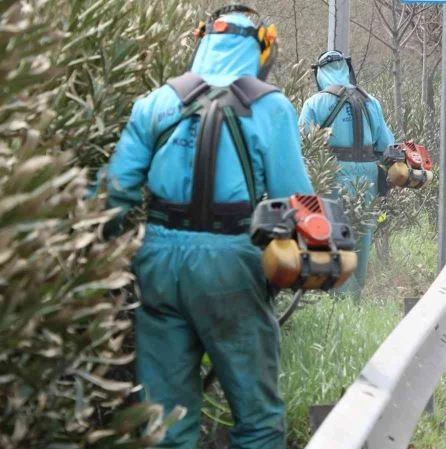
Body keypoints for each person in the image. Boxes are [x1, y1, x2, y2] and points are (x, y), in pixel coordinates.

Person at [103, 6, 312, 448]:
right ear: (259, 48)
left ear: (203, 43)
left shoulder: (156, 103)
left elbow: (112, 199)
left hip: (158, 263)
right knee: (256, 419)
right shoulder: (270, 108)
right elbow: (296, 201)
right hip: (231, 263)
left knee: (165, 419)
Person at [299, 50, 395, 300]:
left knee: (333, 235)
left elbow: (301, 146)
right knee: (361, 233)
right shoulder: (370, 102)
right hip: (367, 177)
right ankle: (355, 298)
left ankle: (336, 299)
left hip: (332, 174)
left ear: (320, 74)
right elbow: (386, 144)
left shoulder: (315, 103)